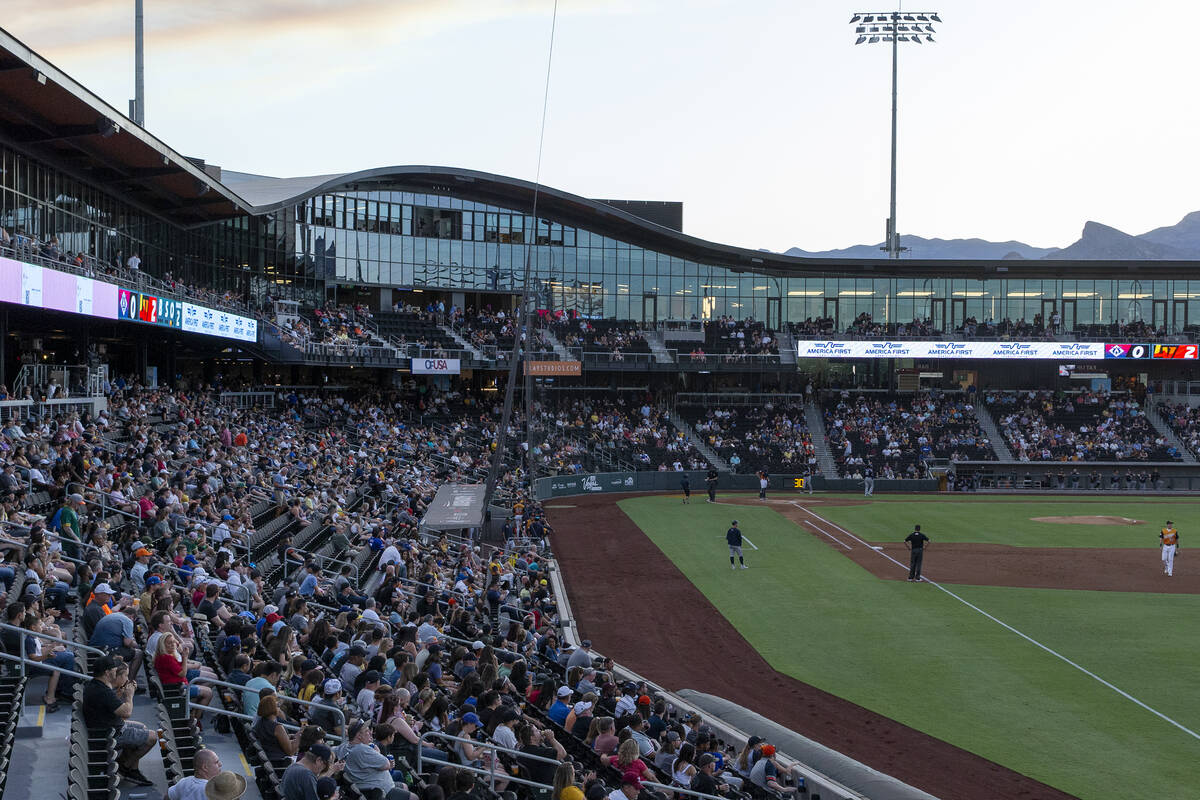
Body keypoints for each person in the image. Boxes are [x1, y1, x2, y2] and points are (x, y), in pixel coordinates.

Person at [82, 655, 159, 787]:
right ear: (107, 672)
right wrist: (130, 695)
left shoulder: (94, 685)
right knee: (153, 737)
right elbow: (126, 713)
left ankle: (132, 769)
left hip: (107, 728)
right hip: (109, 734)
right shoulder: (103, 692)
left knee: (142, 727)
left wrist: (119, 694)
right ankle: (125, 766)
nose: (115, 671)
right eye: (114, 669)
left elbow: (109, 708)